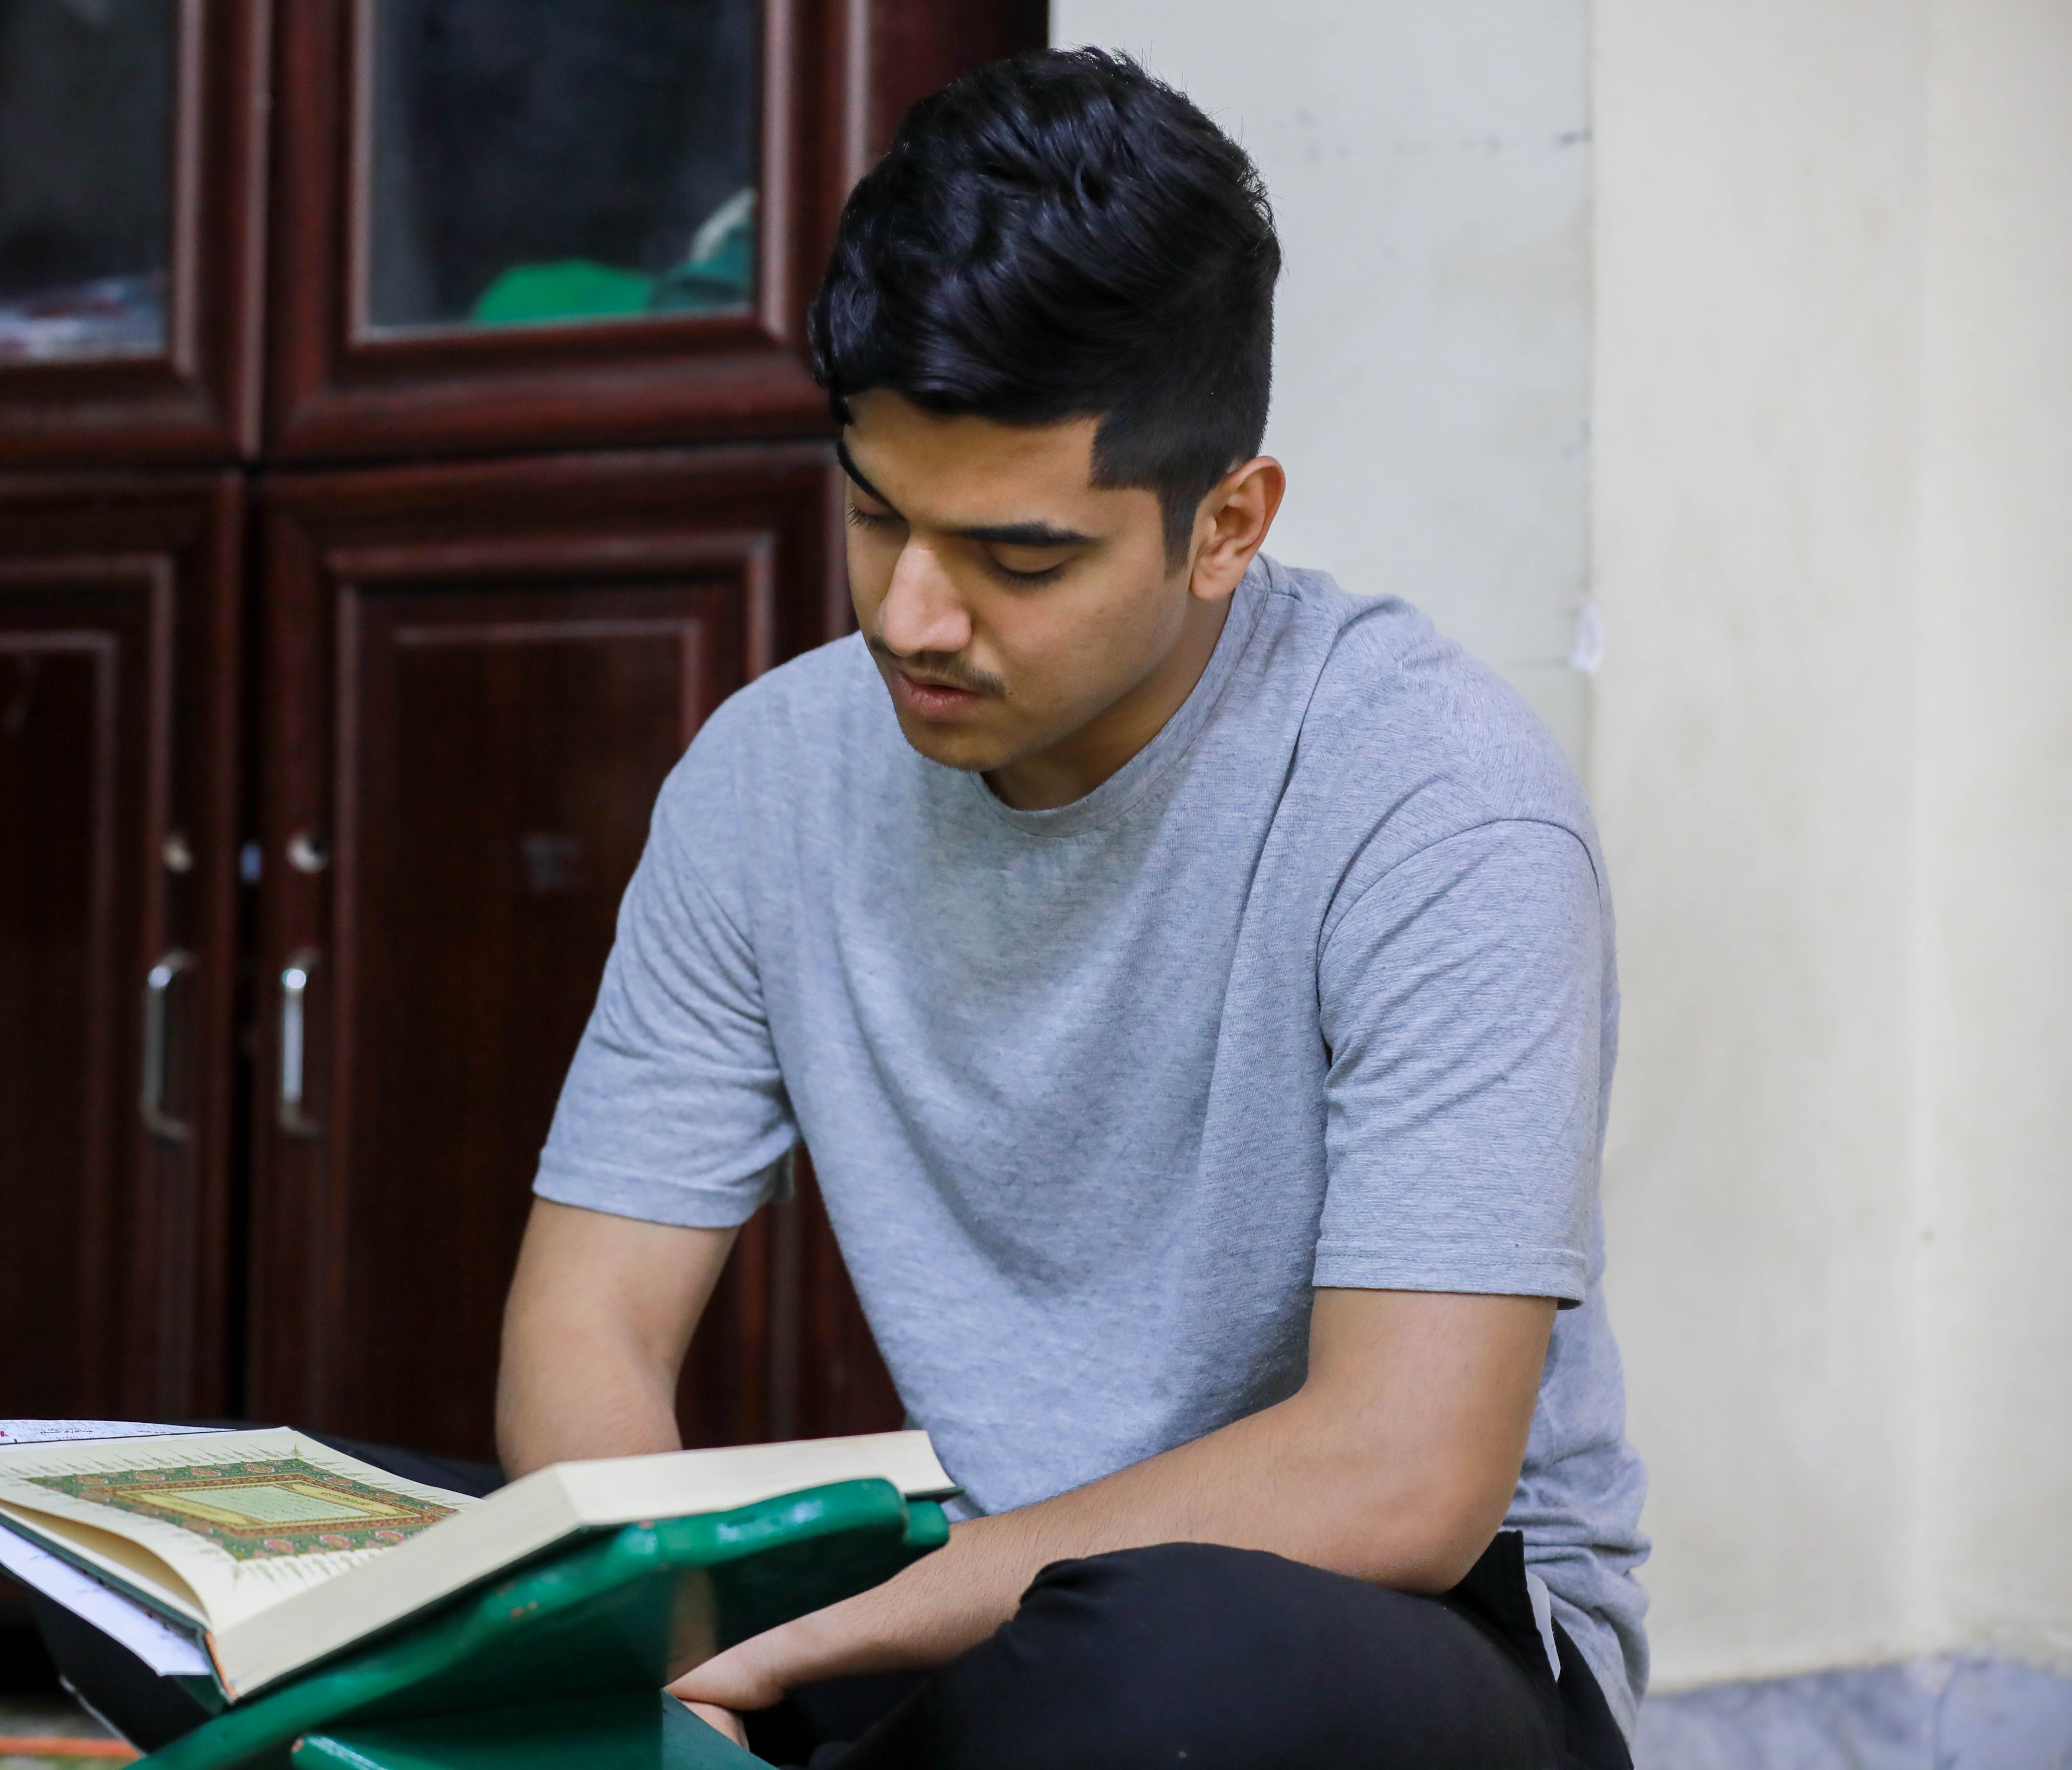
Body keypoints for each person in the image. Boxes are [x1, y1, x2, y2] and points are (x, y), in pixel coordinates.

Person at [494, 46, 1648, 1770]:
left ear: (1225, 525)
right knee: (348, 1595)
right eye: (874, 513)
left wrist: (811, 1642)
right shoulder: (768, 777)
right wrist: (671, 1661)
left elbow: (1400, 1478)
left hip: (1390, 1638)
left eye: (1017, 559)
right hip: (981, 1604)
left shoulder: (1436, 799)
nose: (911, 615)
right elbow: (589, 1318)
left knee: (1157, 1671)